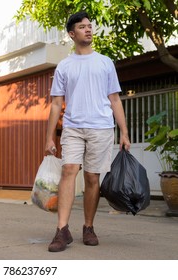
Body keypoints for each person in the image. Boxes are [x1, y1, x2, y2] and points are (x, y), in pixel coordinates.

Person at [45, 11, 131, 252]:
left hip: (101, 127)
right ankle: (62, 230)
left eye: (89, 26)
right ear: (72, 34)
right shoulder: (64, 66)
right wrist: (49, 136)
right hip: (73, 126)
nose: (88, 29)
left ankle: (88, 227)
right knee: (69, 170)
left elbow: (114, 99)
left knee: (93, 178)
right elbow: (55, 104)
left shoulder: (105, 62)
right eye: (82, 27)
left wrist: (124, 132)